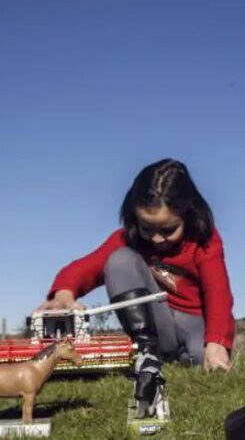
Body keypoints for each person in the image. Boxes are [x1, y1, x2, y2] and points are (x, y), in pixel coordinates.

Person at [38, 159, 234, 406]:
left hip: (194, 322)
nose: (157, 238)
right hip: (158, 323)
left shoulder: (205, 241)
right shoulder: (127, 238)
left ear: (189, 212)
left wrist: (217, 342)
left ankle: (182, 356)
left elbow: (219, 294)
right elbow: (85, 267)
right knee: (119, 260)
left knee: (201, 359)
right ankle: (149, 354)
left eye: (169, 229)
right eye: (147, 228)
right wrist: (63, 294)